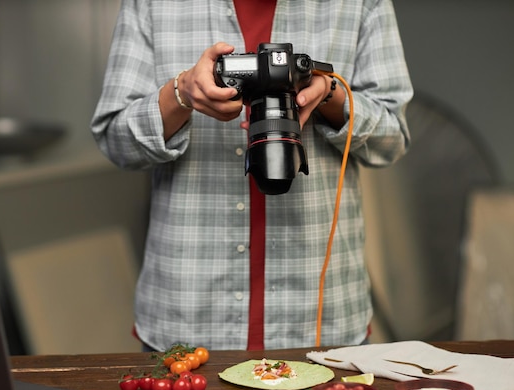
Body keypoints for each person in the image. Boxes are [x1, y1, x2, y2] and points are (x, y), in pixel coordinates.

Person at [91, 0, 413, 351]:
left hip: (323, 317)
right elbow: (115, 142)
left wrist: (328, 94)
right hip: (187, 317)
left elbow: (392, 141)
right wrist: (182, 94)